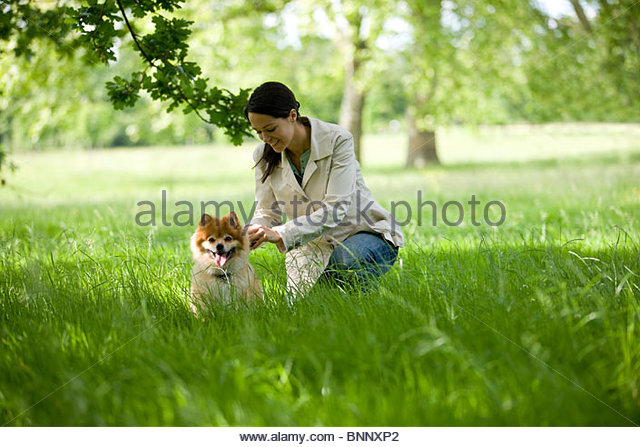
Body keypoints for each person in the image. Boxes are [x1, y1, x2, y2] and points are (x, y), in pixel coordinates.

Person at [244, 81, 404, 297]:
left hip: (362, 233)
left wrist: (280, 233)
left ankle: (368, 306)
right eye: (259, 132)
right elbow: (266, 212)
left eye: (270, 129)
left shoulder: (338, 139)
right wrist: (251, 232)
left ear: (292, 115)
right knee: (310, 309)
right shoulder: (263, 154)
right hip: (310, 247)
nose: (265, 138)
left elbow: (336, 209)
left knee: (344, 265)